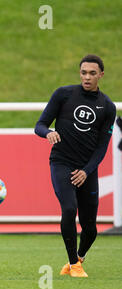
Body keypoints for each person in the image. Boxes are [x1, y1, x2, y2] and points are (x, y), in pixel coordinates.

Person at [35, 54, 116, 277]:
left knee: (90, 228)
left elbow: (102, 148)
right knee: (69, 209)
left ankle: (78, 258)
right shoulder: (63, 94)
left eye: (92, 73)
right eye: (83, 72)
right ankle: (74, 265)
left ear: (101, 75)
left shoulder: (107, 107)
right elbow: (39, 125)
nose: (87, 77)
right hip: (61, 163)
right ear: (79, 73)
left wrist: (86, 171)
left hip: (87, 169)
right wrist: (49, 133)